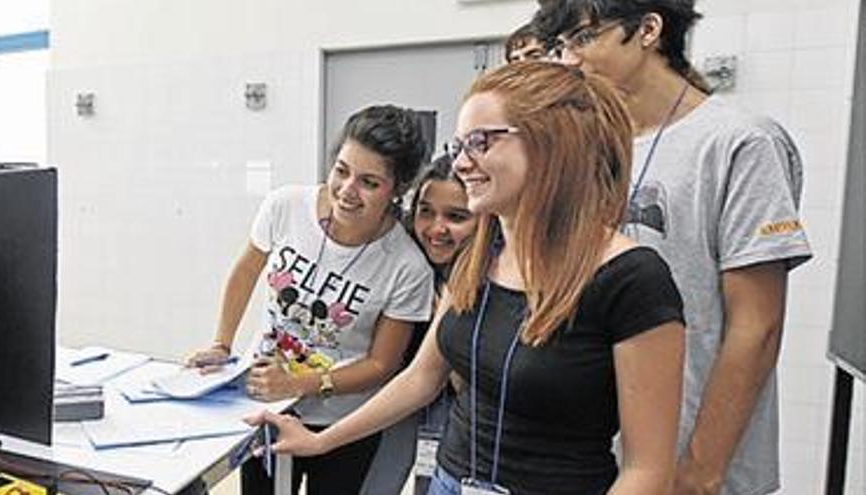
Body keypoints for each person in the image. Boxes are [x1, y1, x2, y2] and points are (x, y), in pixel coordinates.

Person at [248, 60, 686, 495]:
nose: (461, 163)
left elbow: (647, 470)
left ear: (553, 145)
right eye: (459, 146)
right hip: (450, 482)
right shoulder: (482, 255)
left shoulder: (631, 279)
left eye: (480, 142)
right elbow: (422, 378)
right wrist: (320, 441)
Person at [532, 1, 813, 494]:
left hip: (695, 466)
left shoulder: (741, 143)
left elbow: (758, 325)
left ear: (648, 30)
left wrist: (700, 471)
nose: (569, 61)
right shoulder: (589, 146)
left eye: (581, 39)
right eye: (560, 47)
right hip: (594, 458)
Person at [187, 104, 435, 494]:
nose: (347, 191)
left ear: (398, 189)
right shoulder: (285, 206)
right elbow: (246, 271)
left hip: (342, 424)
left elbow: (381, 365)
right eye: (341, 170)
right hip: (266, 402)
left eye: (369, 182)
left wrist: (300, 383)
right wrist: (222, 343)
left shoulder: (406, 266)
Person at [360, 154, 478, 495]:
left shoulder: (494, 282)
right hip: (394, 407)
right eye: (426, 211)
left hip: (457, 419)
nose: (436, 228)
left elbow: (473, 391)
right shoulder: (402, 263)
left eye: (456, 217)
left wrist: (447, 326)